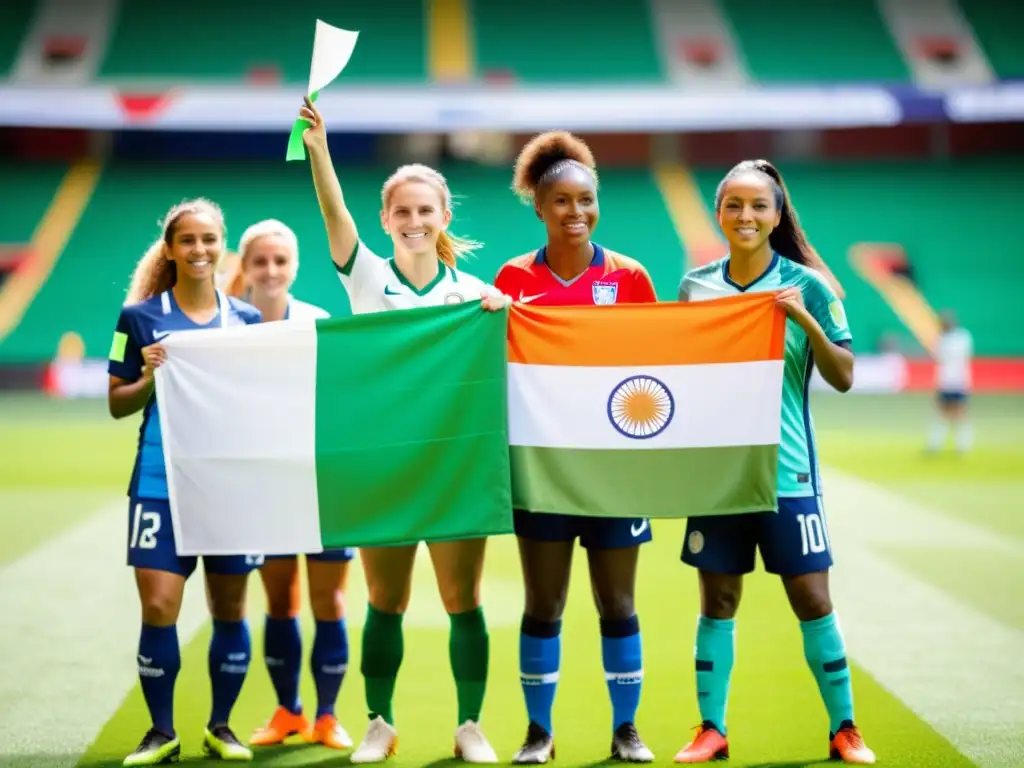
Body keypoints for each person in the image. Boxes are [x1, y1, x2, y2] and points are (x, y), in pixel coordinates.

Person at [298, 96, 508, 764]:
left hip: (450, 467)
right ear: (386, 219)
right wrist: (318, 147)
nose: (415, 221)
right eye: (403, 211)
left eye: (426, 211)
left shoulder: (473, 293)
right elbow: (334, 211)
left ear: (443, 217)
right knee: (384, 600)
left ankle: (469, 724)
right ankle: (379, 723)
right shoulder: (365, 276)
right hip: (383, 464)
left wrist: (502, 313)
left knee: (461, 599)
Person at [674, 159, 875, 764]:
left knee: (813, 599)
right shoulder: (695, 286)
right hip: (720, 474)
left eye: (758, 205)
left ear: (777, 214)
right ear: (719, 213)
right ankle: (711, 729)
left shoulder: (811, 285)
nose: (746, 216)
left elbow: (843, 376)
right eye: (734, 204)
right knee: (718, 602)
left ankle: (845, 729)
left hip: (789, 471)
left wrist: (804, 319)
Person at [494, 131, 657, 764]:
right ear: (539, 206)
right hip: (543, 472)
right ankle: (539, 733)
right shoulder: (512, 278)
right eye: (560, 201)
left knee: (618, 603)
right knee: (544, 603)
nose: (576, 212)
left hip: (614, 472)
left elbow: (656, 369)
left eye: (585, 200)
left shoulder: (629, 277)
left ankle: (626, 731)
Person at [108, 199, 263, 765]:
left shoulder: (246, 320)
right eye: (189, 241)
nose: (200, 250)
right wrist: (148, 375)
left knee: (229, 608)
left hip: (227, 484)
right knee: (159, 606)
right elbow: (117, 404)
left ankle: (221, 727)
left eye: (209, 240)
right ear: (170, 249)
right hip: (158, 479)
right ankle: (161, 731)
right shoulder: (138, 318)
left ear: (223, 248)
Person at [227, 219, 356, 751]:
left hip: (320, 481)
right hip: (264, 486)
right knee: (280, 601)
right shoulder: (227, 326)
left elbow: (339, 398)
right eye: (261, 261)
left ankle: (327, 716)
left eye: (281, 261)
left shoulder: (317, 321)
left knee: (330, 602)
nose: (271, 270)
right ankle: (288, 712)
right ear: (246, 267)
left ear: (295, 266)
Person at [927, 309, 973, 454]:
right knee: (943, 413)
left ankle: (962, 445)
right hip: (945, 381)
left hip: (958, 381)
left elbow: (942, 356)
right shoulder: (946, 338)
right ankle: (936, 444)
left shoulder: (959, 337)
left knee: (959, 413)